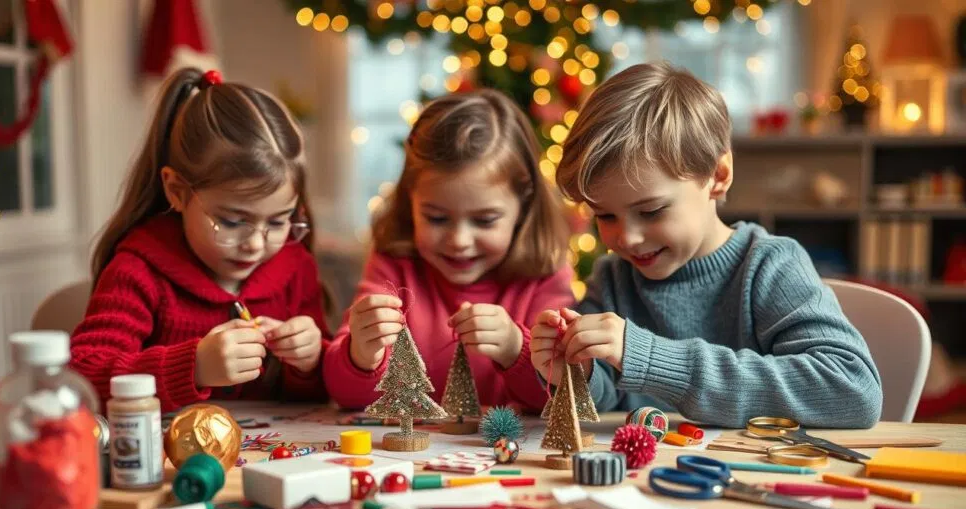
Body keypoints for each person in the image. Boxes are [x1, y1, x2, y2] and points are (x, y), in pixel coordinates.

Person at [530, 63, 882, 428]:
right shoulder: (614, 280)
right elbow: (605, 400)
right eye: (604, 217)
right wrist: (578, 371)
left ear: (718, 176)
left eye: (651, 211)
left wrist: (649, 358)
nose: (627, 238)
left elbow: (853, 389)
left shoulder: (769, 266)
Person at [71, 68, 329, 411]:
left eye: (279, 221)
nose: (255, 244)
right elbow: (81, 378)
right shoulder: (138, 271)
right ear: (177, 191)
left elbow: (321, 396)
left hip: (273, 460)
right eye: (233, 221)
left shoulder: (295, 268)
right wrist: (192, 367)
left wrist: (312, 359)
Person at [325, 90, 574, 413]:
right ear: (410, 199)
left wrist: (517, 349)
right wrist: (360, 353)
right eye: (437, 218)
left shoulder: (545, 273)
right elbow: (345, 395)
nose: (459, 240)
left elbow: (562, 402)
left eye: (484, 220)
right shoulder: (394, 264)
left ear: (524, 203)